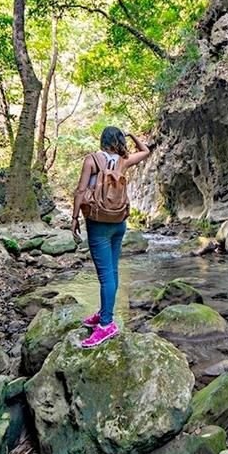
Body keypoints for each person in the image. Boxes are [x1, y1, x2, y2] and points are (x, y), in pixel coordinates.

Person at [71, 126, 150, 348]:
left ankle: (106, 324)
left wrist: (75, 218)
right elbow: (146, 151)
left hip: (98, 224)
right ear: (118, 140)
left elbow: (80, 190)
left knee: (105, 276)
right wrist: (132, 135)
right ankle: (105, 312)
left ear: (102, 140)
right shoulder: (124, 160)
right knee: (112, 272)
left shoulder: (92, 160)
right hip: (119, 223)